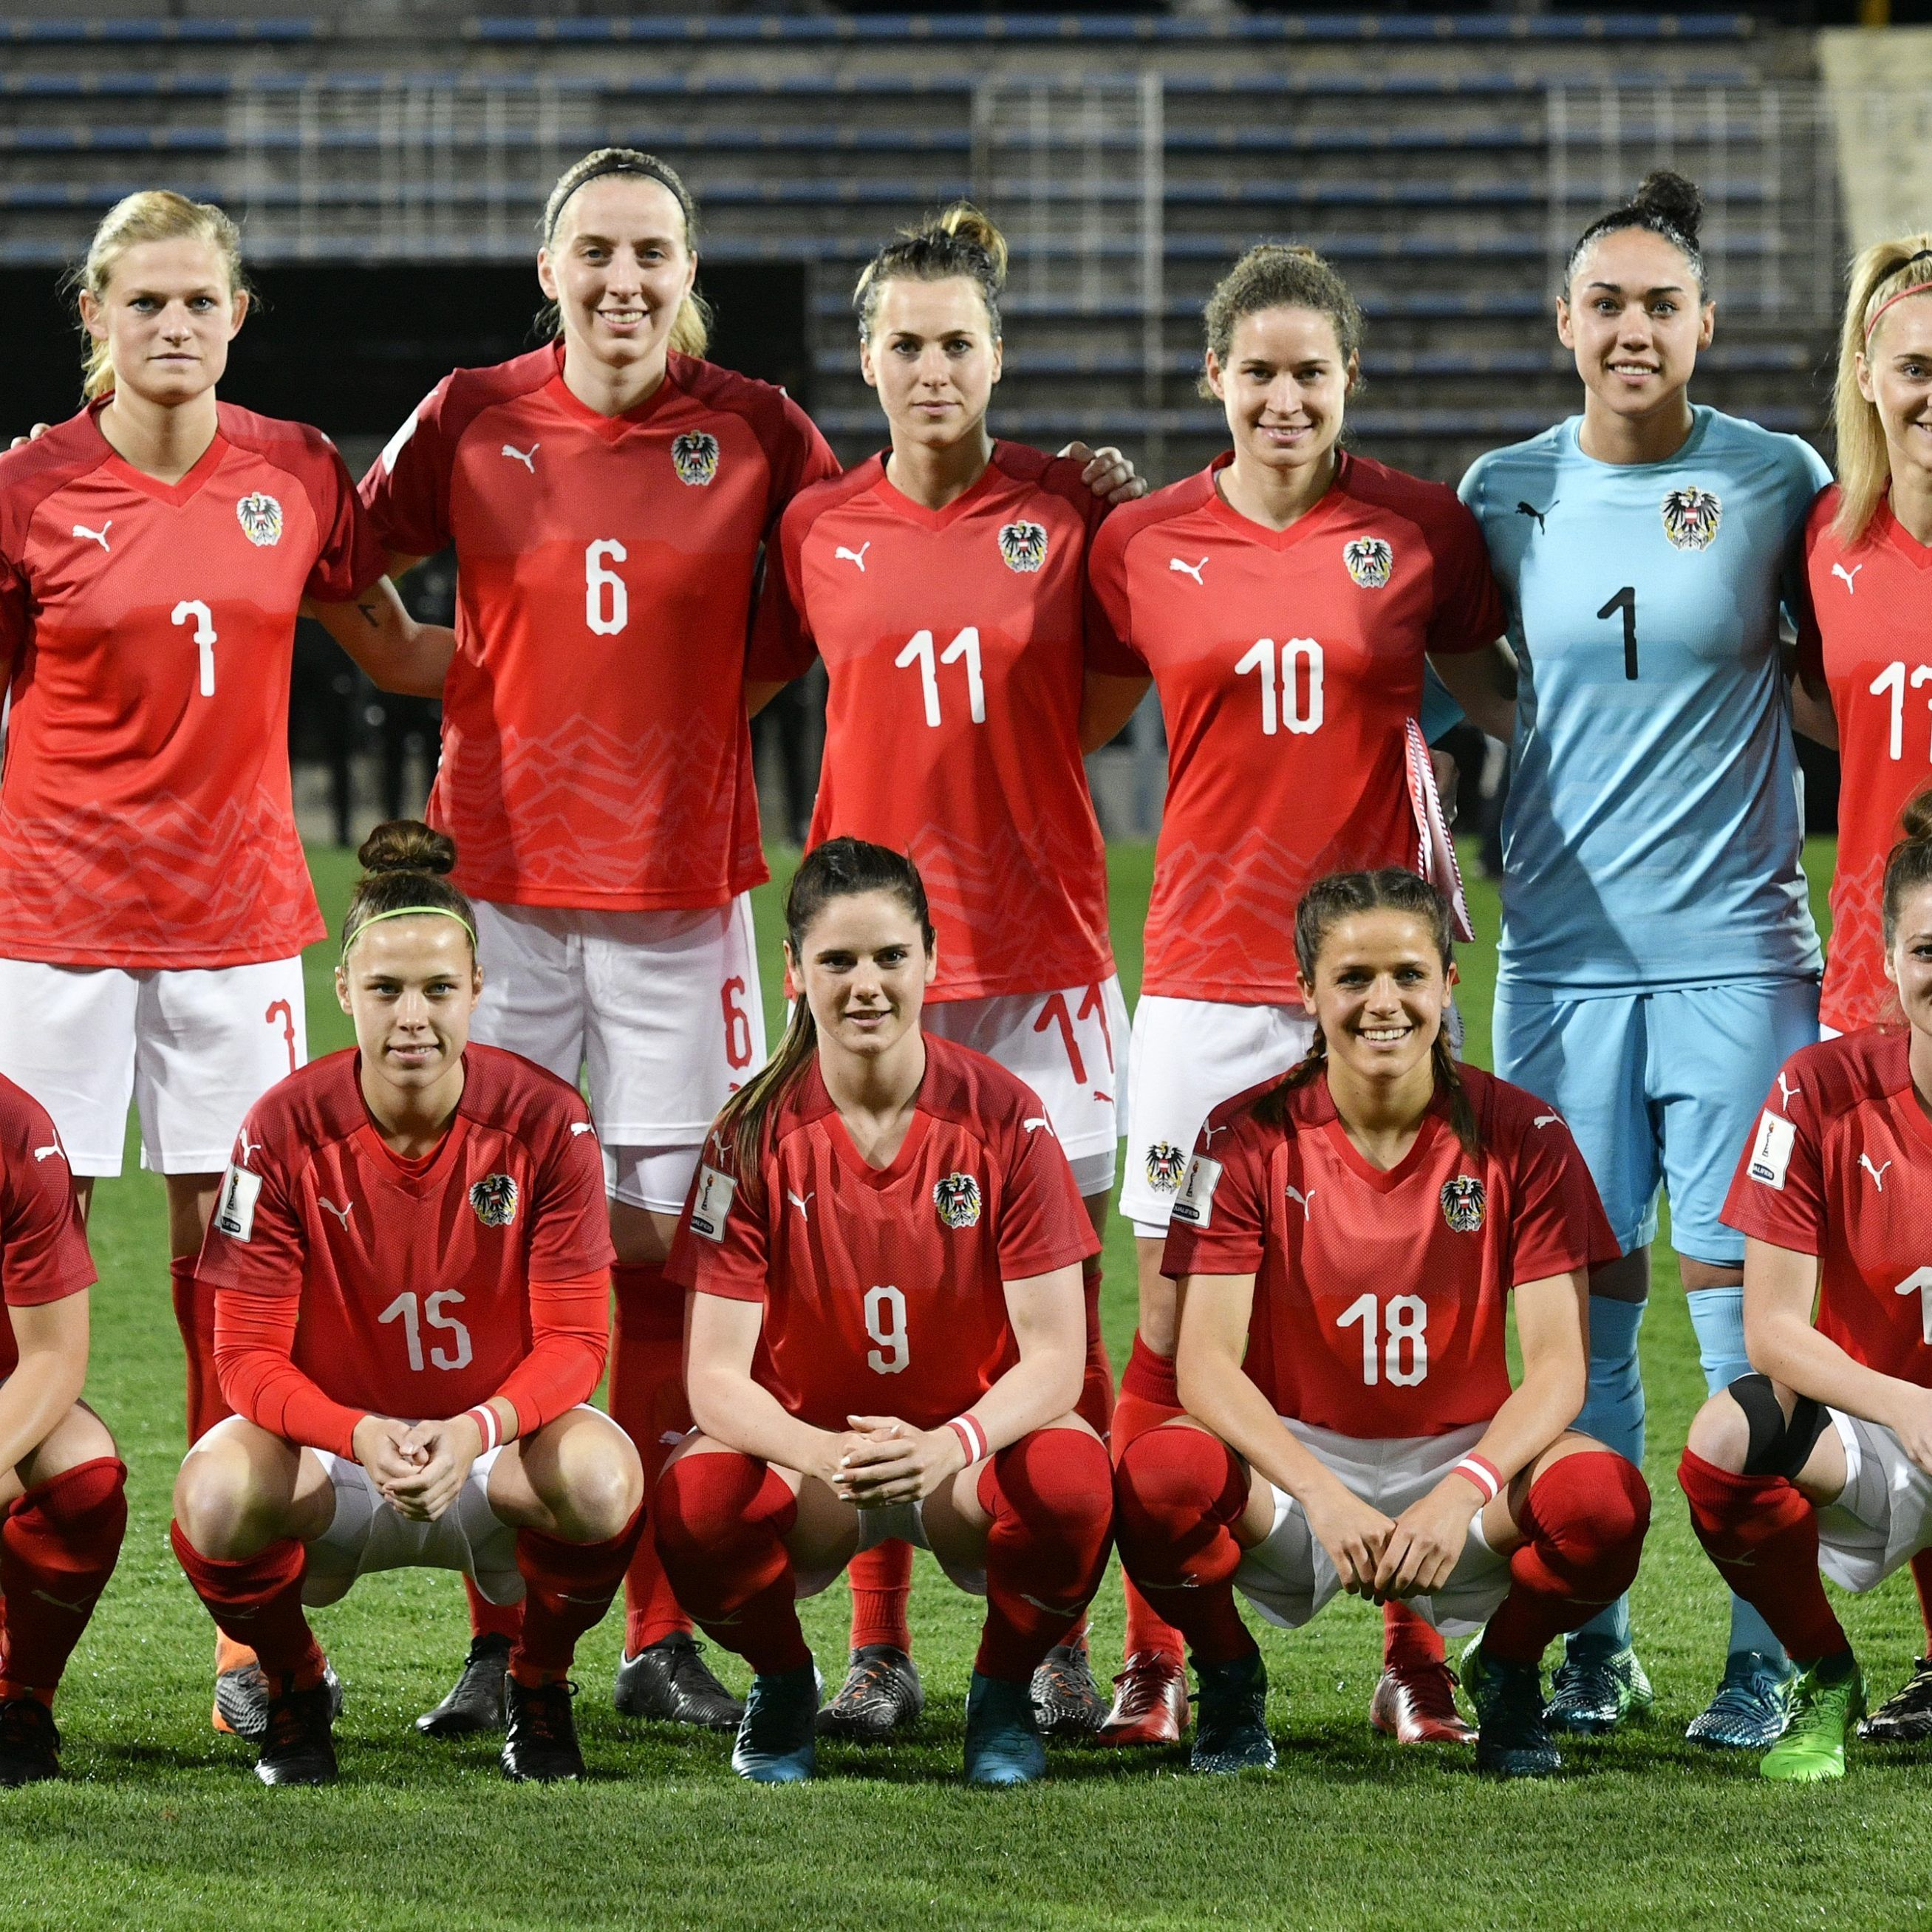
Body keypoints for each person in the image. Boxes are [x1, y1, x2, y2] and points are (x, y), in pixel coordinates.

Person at [358, 148, 841, 1736]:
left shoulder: (757, 425)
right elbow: (340, 573)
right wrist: (479, 675)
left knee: (660, 1251)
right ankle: (507, 1627)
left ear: (682, 268)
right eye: (595, 252)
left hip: (680, 898)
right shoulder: (472, 412)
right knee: (490, 1239)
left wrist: (684, 712)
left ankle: (648, 1628)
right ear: (545, 267)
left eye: (649, 253)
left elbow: (842, 584)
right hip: (498, 891)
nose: (622, 279)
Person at [0, 187, 450, 1731]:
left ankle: (240, 1626)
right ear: (97, 322)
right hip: (49, 932)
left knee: (231, 1275)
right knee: (16, 1261)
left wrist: (624, 658)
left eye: (200, 301)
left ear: (237, 314)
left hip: (238, 929)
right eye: (145, 304)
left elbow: (397, 650)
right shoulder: (28, 489)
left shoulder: (297, 471)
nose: (174, 325)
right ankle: (16, 1624)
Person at [1085, 242, 1515, 1744]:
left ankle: (1414, 1649)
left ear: (1347, 382)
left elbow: (1494, 692)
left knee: (1398, 1295)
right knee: (1162, 1309)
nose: (1281, 396)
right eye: (1255, 370)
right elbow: (1070, 697)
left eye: (1307, 372)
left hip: (1382, 973)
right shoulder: (1137, 540)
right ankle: (1159, 1648)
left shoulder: (1417, 528)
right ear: (1213, 378)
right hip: (1203, 970)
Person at [747, 202, 1148, 1743]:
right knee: (861, 1306)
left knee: (1057, 1314)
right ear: (864, 359)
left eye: (955, 342)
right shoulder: (814, 528)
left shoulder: (1071, 514)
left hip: (1038, 957)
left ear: (997, 355)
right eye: (903, 343)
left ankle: (1053, 1629)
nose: (930, 365)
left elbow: (1095, 705)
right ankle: (878, 1641)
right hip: (865, 974)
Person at [1457, 170, 1829, 1744]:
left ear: (1700, 325)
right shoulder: (1498, 490)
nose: (1627, 328)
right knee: (1581, 1319)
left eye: (1655, 305)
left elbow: (1829, 675)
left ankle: (1759, 1656)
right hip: (1554, 964)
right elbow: (1470, 671)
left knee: (1747, 1322)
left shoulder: (1775, 477)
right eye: (1600, 303)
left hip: (1741, 960)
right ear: (1561, 322)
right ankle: (1597, 1634)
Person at [1113, 869, 1650, 1779]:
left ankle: (1510, 1672)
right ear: (1306, 993)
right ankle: (1229, 1678)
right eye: (1352, 978)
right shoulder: (1239, 1135)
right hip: (1293, 1469)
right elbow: (1202, 1366)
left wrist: (1461, 1491)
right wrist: (1321, 1494)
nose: (1382, 1002)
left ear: (1447, 981)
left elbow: (1560, 1369)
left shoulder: (1526, 1134)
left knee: (1602, 1504)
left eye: (1407, 973)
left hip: (1460, 1460)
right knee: (1157, 1478)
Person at [168, 823, 644, 1786]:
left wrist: (475, 1429)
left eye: (437, 987)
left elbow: (574, 1341)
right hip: (340, 1464)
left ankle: (538, 1681)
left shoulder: (551, 1119)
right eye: (385, 987)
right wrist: (356, 1431)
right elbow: (243, 1358)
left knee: (603, 1477)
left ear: (476, 989)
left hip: (492, 1460)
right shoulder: (278, 1126)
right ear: (344, 991)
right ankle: (294, 1679)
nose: (412, 1013)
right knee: (213, 1492)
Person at [652, 839, 1114, 1787]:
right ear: (792, 971)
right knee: (695, 1504)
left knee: (1073, 1478)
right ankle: (783, 1683)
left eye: (889, 958)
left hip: (963, 1463)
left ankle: (998, 1694)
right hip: (815, 1467)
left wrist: (949, 1443)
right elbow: (711, 1376)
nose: (866, 985)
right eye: (838, 960)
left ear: (932, 960)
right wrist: (819, 1451)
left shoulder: (1008, 1116)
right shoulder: (746, 1136)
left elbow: (1057, 1358)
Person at [1676, 797, 1932, 1780]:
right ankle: (1826, 1677)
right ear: (1888, 955)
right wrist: (1906, 1404)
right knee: (1726, 1434)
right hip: (1881, 1433)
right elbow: (1772, 1328)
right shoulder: (1815, 1089)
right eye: (1924, 949)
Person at [1794, 233, 1932, 1742]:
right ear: (1864, 378)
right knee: (1898, 1338)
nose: (1924, 391)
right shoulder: (1825, 544)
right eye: (1906, 363)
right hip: (1869, 994)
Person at [0, 1075, 129, 1786]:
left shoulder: (16, 1129)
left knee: (82, 1473)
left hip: (6, 1391)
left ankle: (21, 1697)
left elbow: (51, 1357)